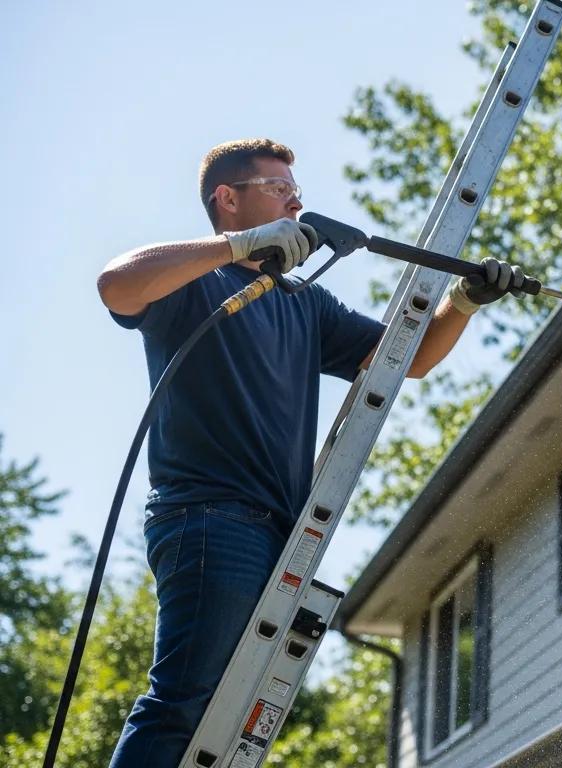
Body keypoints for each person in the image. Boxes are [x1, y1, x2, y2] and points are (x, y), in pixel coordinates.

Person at [95, 138, 524, 767]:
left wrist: (464, 302)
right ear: (229, 198)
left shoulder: (303, 303)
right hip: (212, 520)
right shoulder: (195, 284)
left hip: (280, 533)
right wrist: (238, 248)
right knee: (184, 704)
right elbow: (115, 284)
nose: (297, 202)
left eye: (297, 192)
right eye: (279, 190)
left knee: (227, 722)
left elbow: (410, 361)